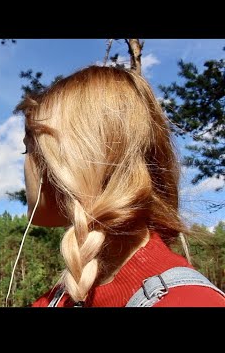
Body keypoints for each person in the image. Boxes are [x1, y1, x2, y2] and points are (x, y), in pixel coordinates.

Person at [14, 65, 225, 307]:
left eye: (27, 149)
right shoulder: (66, 294)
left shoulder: (190, 301)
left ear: (63, 163)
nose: (23, 166)